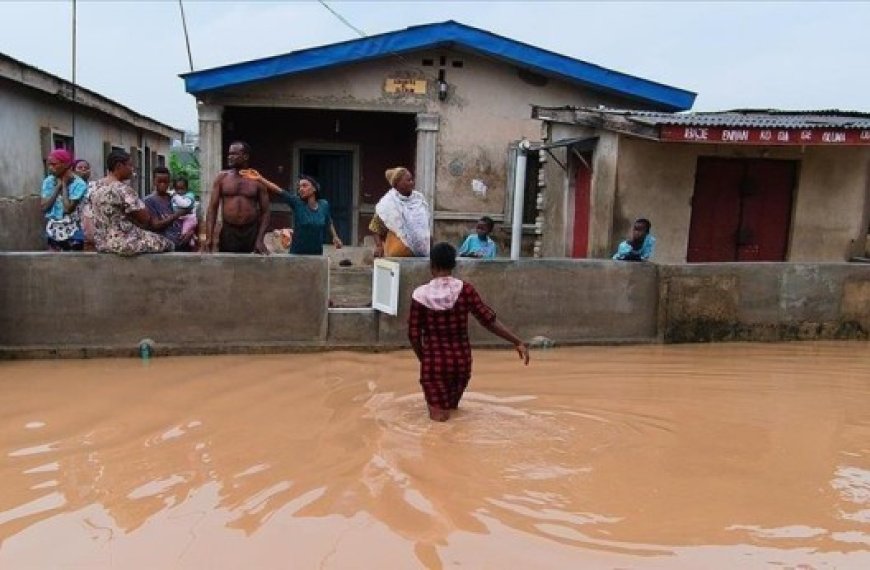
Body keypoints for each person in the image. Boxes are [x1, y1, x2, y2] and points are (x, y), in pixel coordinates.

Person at [408, 242, 530, 422]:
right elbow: (488, 320)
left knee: (439, 422)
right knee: (452, 411)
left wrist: (424, 358)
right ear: (453, 265)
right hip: (461, 363)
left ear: (431, 266)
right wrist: (517, 341)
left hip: (434, 363)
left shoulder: (420, 296)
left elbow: (413, 334)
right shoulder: (465, 290)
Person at [87, 149, 177, 255]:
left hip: (101, 242)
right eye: (130, 165)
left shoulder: (93, 187)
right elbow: (145, 218)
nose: (132, 169)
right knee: (168, 244)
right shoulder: (123, 189)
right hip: (124, 242)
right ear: (119, 166)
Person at [247, 171, 343, 255]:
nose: (300, 189)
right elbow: (278, 190)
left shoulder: (324, 205)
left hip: (316, 253)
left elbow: (329, 221)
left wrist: (335, 237)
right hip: (297, 253)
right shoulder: (297, 203)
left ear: (314, 189)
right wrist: (260, 178)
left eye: (304, 186)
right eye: (299, 187)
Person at [204, 141, 270, 254]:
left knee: (252, 268)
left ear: (245, 156)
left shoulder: (257, 180)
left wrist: (260, 239)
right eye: (229, 154)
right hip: (229, 231)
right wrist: (209, 237)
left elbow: (266, 212)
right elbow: (212, 209)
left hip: (251, 231)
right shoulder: (222, 178)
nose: (230, 157)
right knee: (227, 268)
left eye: (234, 154)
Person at [369, 167, 430, 258]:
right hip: (397, 255)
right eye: (408, 180)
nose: (412, 183)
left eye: (412, 180)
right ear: (397, 183)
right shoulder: (388, 203)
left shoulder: (419, 199)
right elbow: (374, 227)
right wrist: (379, 246)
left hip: (421, 254)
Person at [40, 149, 88, 251]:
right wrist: (58, 187)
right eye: (49, 165)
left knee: (73, 263)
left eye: (54, 165)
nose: (50, 168)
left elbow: (67, 209)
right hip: (53, 230)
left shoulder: (79, 184)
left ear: (66, 165)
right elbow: (44, 207)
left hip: (74, 231)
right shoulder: (48, 181)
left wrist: (65, 185)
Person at [143, 166, 193, 251]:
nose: (163, 184)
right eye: (159, 182)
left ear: (169, 182)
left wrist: (190, 232)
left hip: (183, 245)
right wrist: (177, 214)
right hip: (163, 249)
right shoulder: (149, 201)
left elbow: (191, 217)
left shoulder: (176, 199)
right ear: (154, 181)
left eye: (165, 182)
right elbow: (155, 225)